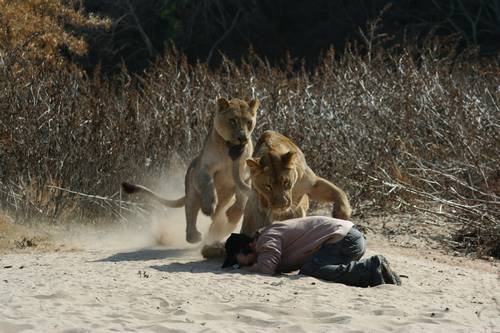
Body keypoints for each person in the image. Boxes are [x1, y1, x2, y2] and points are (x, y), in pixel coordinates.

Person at [222, 216, 401, 287]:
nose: (239, 264)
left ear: (244, 250)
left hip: (343, 239)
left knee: (311, 271)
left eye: (237, 260)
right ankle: (373, 270)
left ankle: (372, 268)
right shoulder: (268, 234)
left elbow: (267, 268)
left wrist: (248, 269)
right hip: (348, 238)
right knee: (314, 268)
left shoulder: (265, 239)